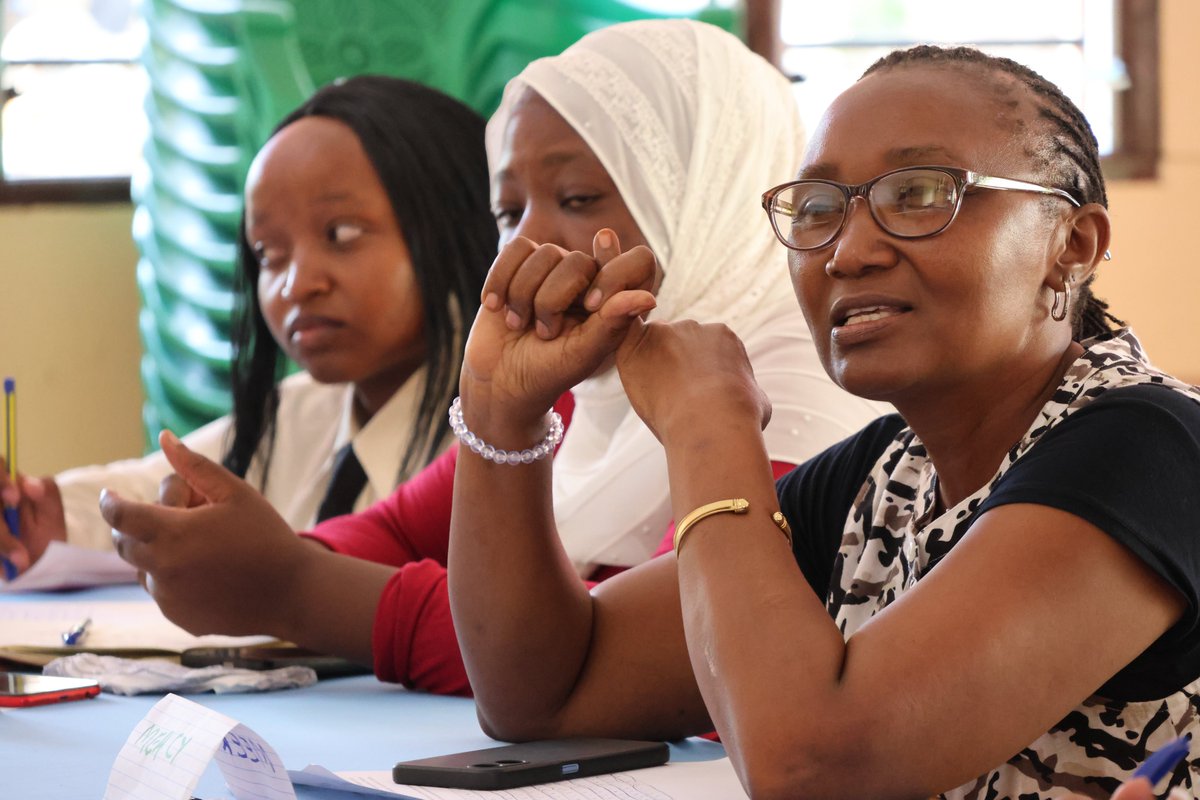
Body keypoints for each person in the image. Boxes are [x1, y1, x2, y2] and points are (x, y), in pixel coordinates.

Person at [443, 43, 1200, 798]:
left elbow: (813, 765)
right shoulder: (883, 478)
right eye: (817, 209)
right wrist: (500, 412)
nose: (849, 250)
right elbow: (543, 694)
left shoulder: (1150, 447)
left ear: (1072, 245)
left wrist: (711, 425)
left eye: (918, 194)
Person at [99, 20, 885, 695]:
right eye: (508, 210)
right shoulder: (585, 387)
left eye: (577, 198)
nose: (527, 242)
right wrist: (243, 555)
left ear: (706, 192)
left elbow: (604, 647)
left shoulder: (805, 385)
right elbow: (394, 533)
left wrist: (289, 586)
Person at [0, 75, 494, 574]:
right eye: (268, 254)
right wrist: (41, 518)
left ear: (455, 224)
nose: (296, 285)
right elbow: (150, 492)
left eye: (340, 233)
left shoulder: (508, 441)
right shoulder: (293, 417)